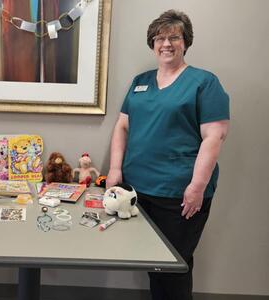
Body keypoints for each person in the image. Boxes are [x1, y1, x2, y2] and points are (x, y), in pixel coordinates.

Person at [106, 10, 229, 300]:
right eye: (159, 38)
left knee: (173, 266)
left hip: (179, 194)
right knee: (153, 263)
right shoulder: (141, 81)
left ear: (185, 42)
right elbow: (122, 126)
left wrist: (197, 187)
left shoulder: (204, 82)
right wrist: (115, 169)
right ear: (152, 43)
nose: (166, 43)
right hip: (137, 192)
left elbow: (215, 136)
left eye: (174, 37)